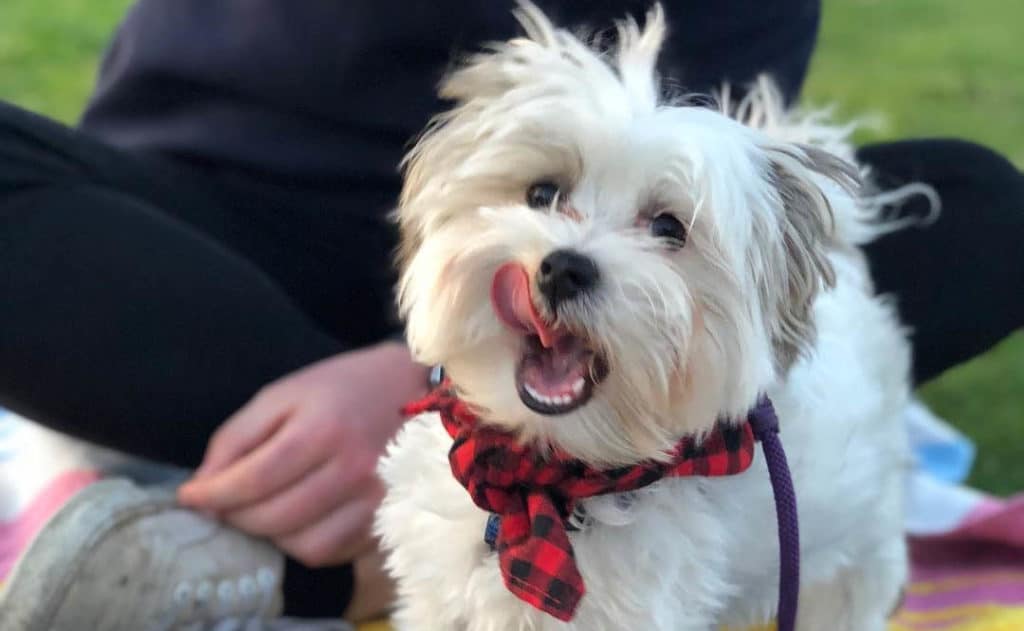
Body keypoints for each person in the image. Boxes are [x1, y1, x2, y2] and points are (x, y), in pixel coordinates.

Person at [0, 0, 1021, 628]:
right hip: (214, 229)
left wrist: (408, 375)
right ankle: (324, 528)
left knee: (979, 205)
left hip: (577, 314)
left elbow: (700, 174)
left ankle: (274, 560)